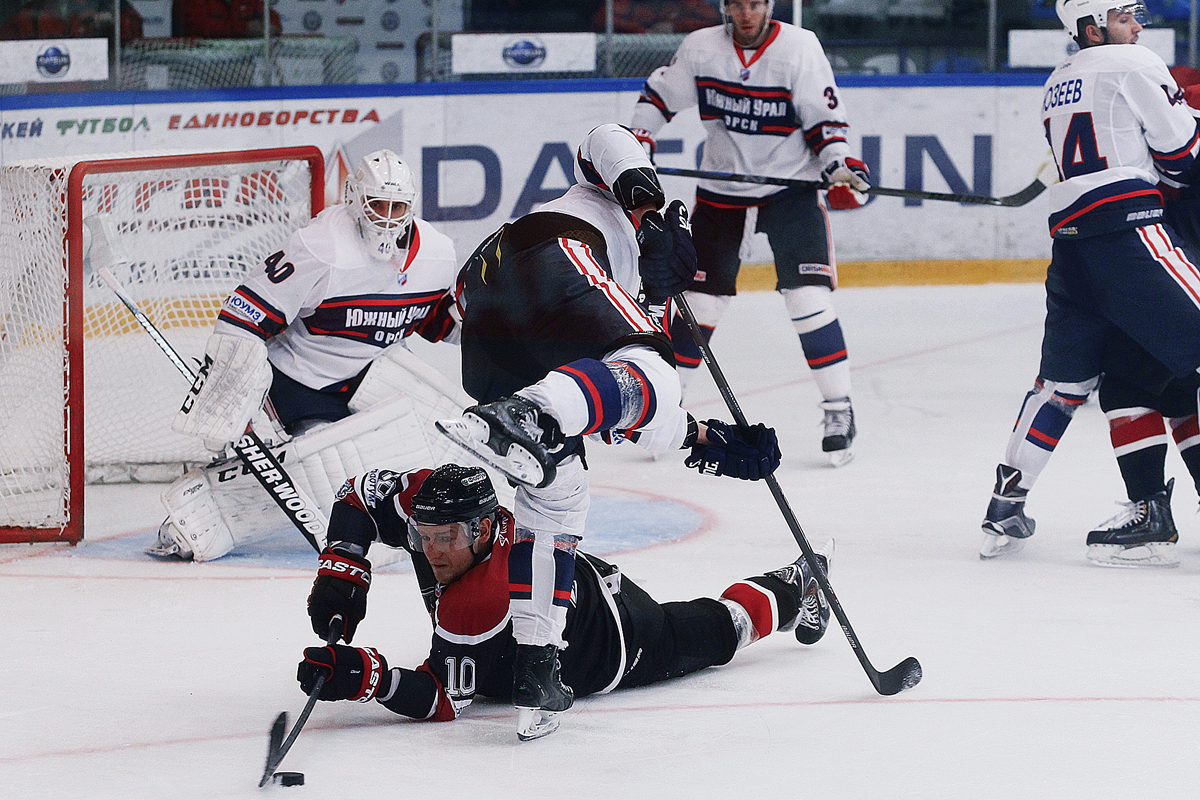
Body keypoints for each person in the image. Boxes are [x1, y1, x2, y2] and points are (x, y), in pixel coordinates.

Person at [433, 123, 784, 739]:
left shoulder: (638, 296)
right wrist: (647, 206)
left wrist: (711, 442)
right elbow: (604, 138)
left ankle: (537, 666)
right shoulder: (605, 206)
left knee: (558, 497)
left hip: (492, 320)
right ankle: (531, 415)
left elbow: (622, 414)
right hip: (539, 257)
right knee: (656, 372)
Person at [299, 463, 832, 739]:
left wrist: (368, 676)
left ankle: (795, 584)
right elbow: (359, 495)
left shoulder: (479, 601)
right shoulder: (448, 518)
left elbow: (439, 698)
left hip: (613, 640)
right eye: (422, 537)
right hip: (560, 583)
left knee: (720, 629)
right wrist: (343, 568)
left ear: (485, 529)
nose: (432, 552)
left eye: (447, 539)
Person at [146, 150, 461, 563]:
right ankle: (193, 515)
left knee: (435, 446)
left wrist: (500, 326)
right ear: (354, 199)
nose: (386, 217)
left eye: (396, 206)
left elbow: (437, 323)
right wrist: (229, 395)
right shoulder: (321, 247)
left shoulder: (438, 254)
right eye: (376, 205)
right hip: (302, 379)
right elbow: (243, 314)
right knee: (322, 472)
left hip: (375, 373)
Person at [979, 0, 1200, 562]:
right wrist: (1171, 174)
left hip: (1072, 246)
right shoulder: (1135, 63)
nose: (1138, 26)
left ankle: (1006, 502)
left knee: (1062, 384)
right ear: (1092, 26)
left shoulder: (1057, 81)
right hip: (1129, 233)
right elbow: (1180, 151)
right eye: (1125, 17)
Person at [627, 0, 871, 467]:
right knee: (698, 304)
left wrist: (837, 163)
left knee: (808, 299)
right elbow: (659, 97)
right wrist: (639, 138)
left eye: (755, 3)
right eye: (736, 3)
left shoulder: (800, 48)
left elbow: (824, 121)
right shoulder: (701, 48)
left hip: (789, 189)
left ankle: (839, 410)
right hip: (722, 192)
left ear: (769, 5)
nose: (745, 13)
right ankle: (665, 412)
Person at [0, 0, 143, 44]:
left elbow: (132, 43)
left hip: (95, 89)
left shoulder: (114, 5)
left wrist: (111, 20)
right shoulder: (30, 11)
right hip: (39, 91)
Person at [592, 0, 721, 33]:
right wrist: (642, 31)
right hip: (628, 57)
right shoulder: (623, 5)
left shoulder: (688, 4)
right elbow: (602, 18)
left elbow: (714, 20)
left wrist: (675, 26)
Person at [171, 0, 280, 39]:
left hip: (239, 64)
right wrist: (244, 29)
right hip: (194, 67)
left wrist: (271, 26)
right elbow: (200, 26)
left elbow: (268, 13)